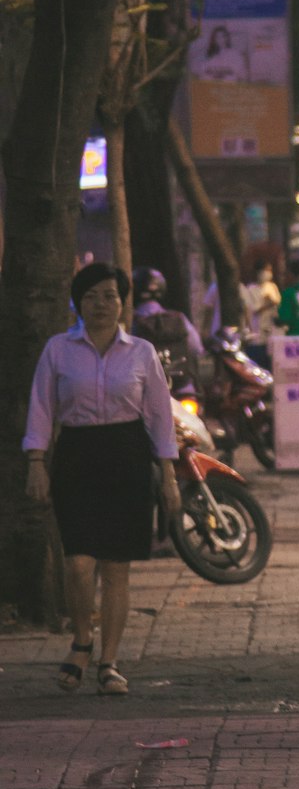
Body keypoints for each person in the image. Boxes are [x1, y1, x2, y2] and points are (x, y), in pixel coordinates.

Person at [24, 263, 181, 697]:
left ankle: (108, 662)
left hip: (127, 457)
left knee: (116, 568)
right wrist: (36, 461)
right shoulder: (58, 350)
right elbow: (41, 408)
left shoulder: (141, 353)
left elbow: (160, 418)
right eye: (92, 296)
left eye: (110, 296)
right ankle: (82, 639)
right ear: (77, 302)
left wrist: (167, 475)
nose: (101, 304)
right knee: (77, 563)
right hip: (76, 456)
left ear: (122, 302)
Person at [130, 267, 204, 392]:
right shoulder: (179, 319)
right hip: (182, 389)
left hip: (146, 391)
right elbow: (197, 349)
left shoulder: (132, 323)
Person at [245, 258, 281, 365]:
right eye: (266, 270)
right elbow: (253, 309)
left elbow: (278, 305)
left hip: (271, 331)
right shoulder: (251, 289)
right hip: (256, 332)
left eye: (270, 270)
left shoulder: (272, 287)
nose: (268, 273)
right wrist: (268, 304)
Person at [200, 276, 254, 342]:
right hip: (220, 330)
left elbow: (246, 309)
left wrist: (249, 327)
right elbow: (208, 309)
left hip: (233, 331)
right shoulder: (215, 287)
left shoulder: (239, 288)